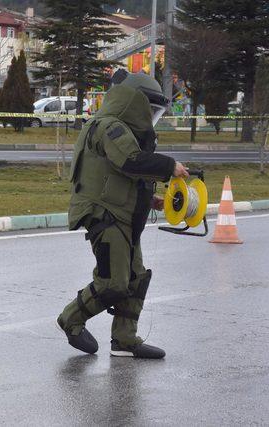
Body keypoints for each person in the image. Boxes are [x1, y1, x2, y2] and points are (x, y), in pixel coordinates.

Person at [56, 70, 189, 359]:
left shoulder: (121, 129)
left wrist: (151, 198)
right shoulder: (110, 127)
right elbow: (130, 162)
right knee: (114, 283)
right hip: (106, 216)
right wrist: (170, 167)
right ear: (132, 102)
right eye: (149, 109)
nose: (151, 116)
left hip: (123, 216)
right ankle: (71, 319)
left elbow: (119, 175)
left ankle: (125, 340)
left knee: (135, 277)